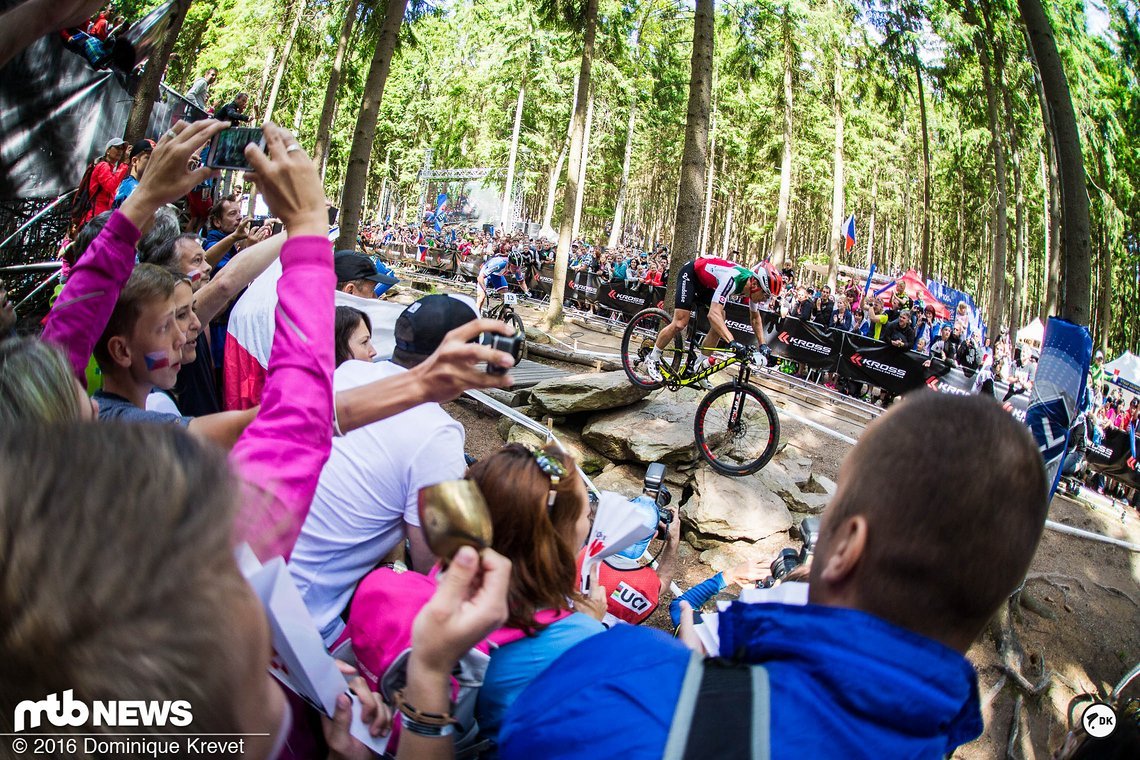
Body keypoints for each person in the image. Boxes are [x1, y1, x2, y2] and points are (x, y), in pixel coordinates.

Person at [498, 393, 1050, 758]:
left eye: (828, 516)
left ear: (847, 548)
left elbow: (524, 732)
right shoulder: (927, 740)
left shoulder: (613, 683)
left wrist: (689, 672)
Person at [289, 295, 476, 646]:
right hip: (299, 620)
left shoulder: (350, 371)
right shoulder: (439, 434)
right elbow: (434, 566)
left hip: (241, 562)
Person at [643, 257, 781, 381]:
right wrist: (732, 342)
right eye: (766, 295)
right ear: (755, 285)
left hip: (706, 284)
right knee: (680, 323)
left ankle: (699, 367)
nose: (766, 299)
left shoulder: (753, 287)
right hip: (691, 274)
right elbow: (712, 314)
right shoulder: (734, 279)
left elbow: (755, 319)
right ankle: (653, 357)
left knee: (720, 320)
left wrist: (763, 344)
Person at [82, 137, 130, 223]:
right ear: (108, 151)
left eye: (122, 148)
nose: (120, 151)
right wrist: (125, 164)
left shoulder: (109, 168)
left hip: (100, 217)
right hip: (95, 218)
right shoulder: (103, 166)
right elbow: (110, 186)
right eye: (117, 147)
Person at [476, 250, 527, 314]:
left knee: (506, 299)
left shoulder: (517, 269)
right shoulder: (500, 264)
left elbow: (521, 281)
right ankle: (475, 317)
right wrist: (485, 290)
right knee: (481, 298)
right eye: (514, 267)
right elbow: (480, 278)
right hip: (485, 274)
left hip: (497, 275)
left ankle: (501, 318)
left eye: (518, 267)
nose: (516, 270)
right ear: (509, 263)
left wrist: (526, 292)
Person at [112, 138, 153, 208]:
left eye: (153, 159)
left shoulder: (133, 186)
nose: (152, 163)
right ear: (134, 161)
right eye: (148, 158)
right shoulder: (133, 189)